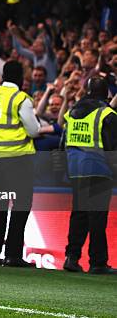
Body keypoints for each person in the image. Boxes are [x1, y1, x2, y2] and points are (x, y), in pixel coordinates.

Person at [0, 61, 40, 267]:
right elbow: (34, 131)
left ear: (3, 75)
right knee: (21, 204)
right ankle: (13, 255)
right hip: (18, 158)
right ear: (21, 77)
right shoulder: (20, 98)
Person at [62, 76, 117, 275]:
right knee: (97, 217)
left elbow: (62, 144)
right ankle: (98, 262)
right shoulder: (107, 114)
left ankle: (71, 257)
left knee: (79, 214)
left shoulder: (71, 112)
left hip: (75, 170)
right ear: (105, 93)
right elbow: (112, 149)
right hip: (98, 169)